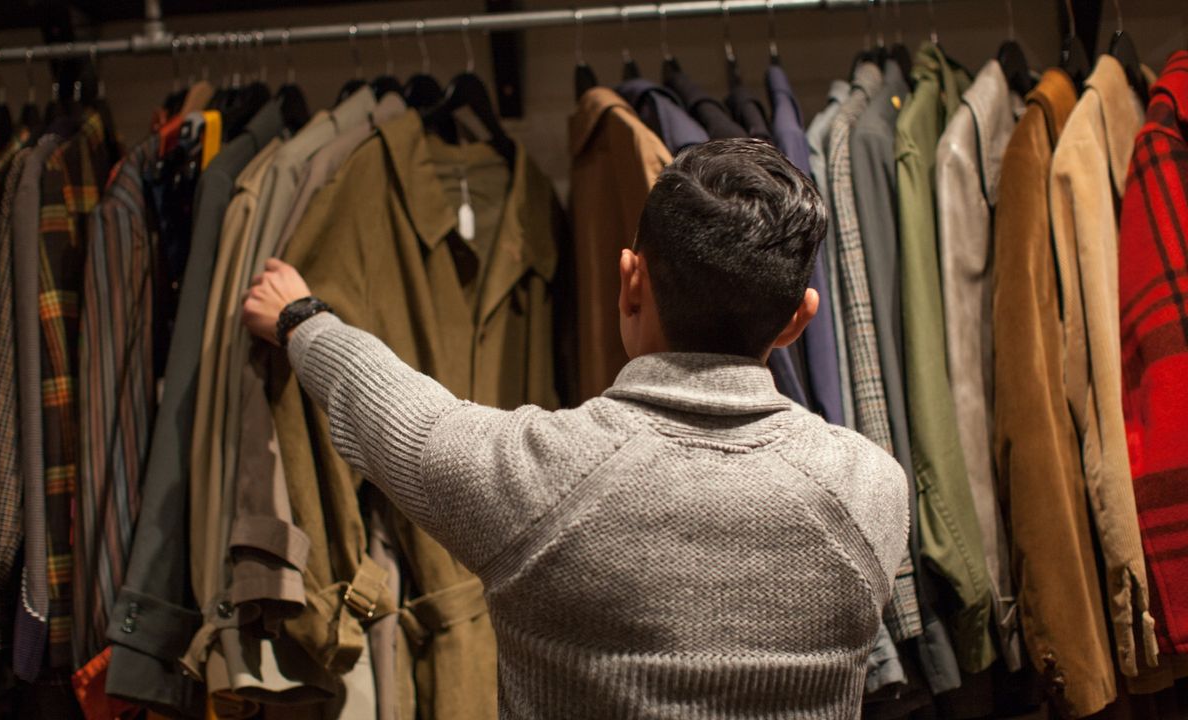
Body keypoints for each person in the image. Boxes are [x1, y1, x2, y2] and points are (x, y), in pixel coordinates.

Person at [243, 138, 909, 718]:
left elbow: (397, 413)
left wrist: (302, 318)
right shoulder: (871, 490)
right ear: (800, 319)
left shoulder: (539, 480)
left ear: (630, 284)